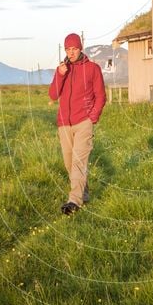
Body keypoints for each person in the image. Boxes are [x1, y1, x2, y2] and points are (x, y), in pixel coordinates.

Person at [48, 33, 106, 215]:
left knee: (78, 163)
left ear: (80, 48)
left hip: (83, 123)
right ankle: (84, 194)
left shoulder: (92, 68)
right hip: (64, 124)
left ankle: (73, 201)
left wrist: (92, 118)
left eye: (74, 49)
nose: (71, 53)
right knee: (69, 163)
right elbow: (52, 95)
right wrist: (60, 75)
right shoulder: (62, 70)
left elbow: (101, 96)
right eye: (68, 49)